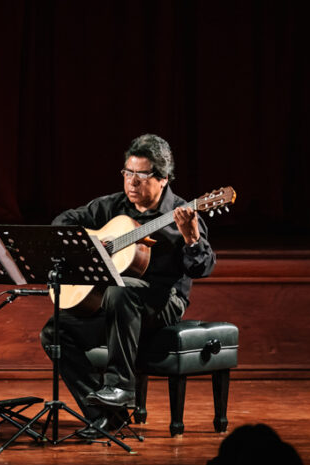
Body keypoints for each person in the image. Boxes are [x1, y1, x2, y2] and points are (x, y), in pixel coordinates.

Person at [41, 133, 215, 436]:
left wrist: (192, 239)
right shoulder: (111, 207)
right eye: (127, 173)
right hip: (111, 304)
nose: (131, 182)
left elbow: (202, 268)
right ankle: (105, 415)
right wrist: (93, 243)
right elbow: (62, 224)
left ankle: (121, 387)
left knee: (122, 290)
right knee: (54, 332)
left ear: (162, 179)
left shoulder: (183, 214)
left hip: (162, 303)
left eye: (141, 175)